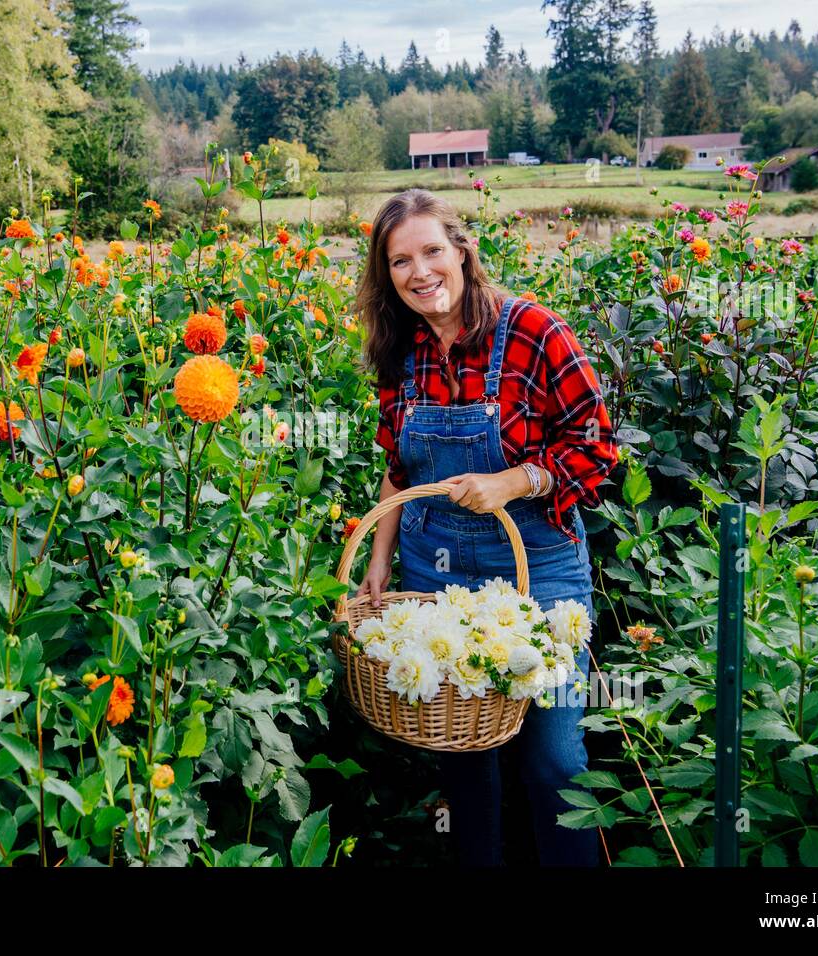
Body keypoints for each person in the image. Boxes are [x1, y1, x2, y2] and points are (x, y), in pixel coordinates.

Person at [355, 188, 617, 866]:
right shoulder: (402, 351)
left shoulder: (532, 330)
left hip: (539, 563)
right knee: (464, 761)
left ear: (463, 251)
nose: (420, 273)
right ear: (386, 275)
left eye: (432, 251)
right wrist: (378, 560)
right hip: (437, 568)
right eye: (400, 260)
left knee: (555, 763)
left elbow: (595, 443)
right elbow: (396, 466)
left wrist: (514, 480)